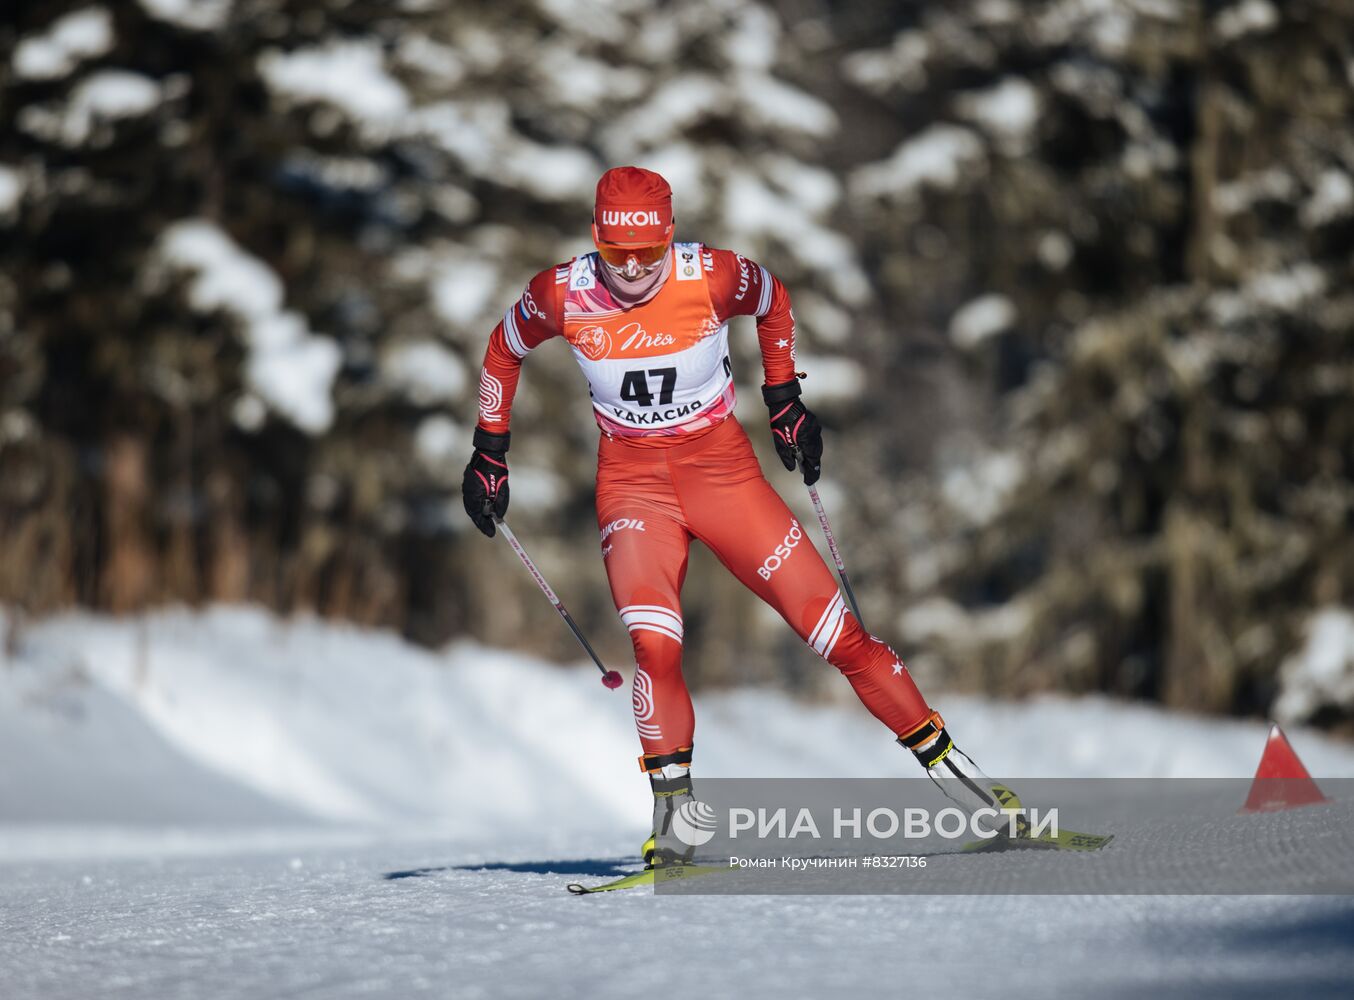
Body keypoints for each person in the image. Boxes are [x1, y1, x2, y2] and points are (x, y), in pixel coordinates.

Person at [463, 166, 1018, 865]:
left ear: (669, 238)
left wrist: (783, 397)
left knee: (842, 639)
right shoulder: (560, 293)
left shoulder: (713, 276)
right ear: (595, 243)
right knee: (655, 650)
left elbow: (775, 300)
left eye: (647, 255)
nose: (632, 273)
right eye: (615, 257)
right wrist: (490, 450)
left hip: (723, 476)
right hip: (634, 488)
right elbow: (502, 350)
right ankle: (676, 830)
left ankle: (970, 787)